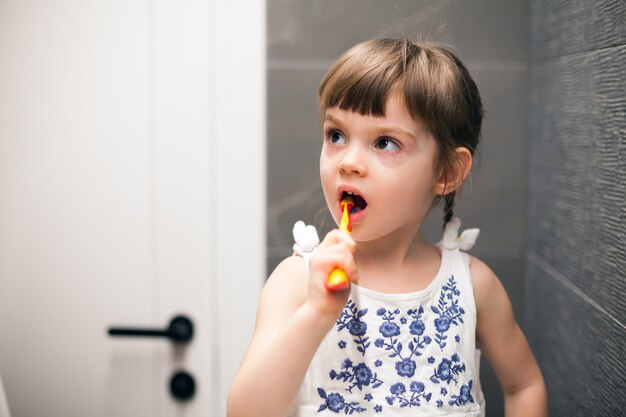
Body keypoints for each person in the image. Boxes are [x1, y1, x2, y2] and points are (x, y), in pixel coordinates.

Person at [227, 38, 547, 417]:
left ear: (445, 173)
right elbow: (245, 412)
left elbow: (524, 384)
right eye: (336, 136)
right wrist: (316, 314)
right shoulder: (298, 281)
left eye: (384, 143)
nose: (348, 162)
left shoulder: (472, 286)